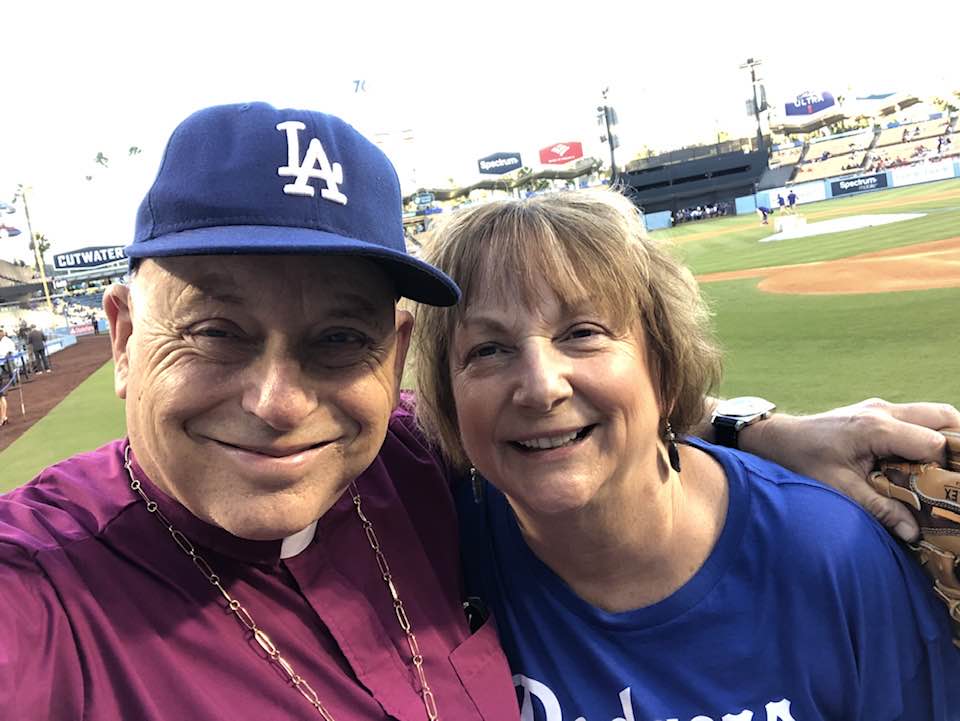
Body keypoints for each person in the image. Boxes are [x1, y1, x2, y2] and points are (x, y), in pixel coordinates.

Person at [0, 102, 956, 721]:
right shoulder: (44, 588)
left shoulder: (410, 465)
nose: (279, 403)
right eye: (216, 330)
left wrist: (758, 433)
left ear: (398, 363)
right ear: (123, 338)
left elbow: (564, 421)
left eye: (339, 340)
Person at [410, 190, 960, 721]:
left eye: (583, 333)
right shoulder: (428, 556)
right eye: (487, 349)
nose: (541, 386)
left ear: (664, 364)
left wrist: (757, 429)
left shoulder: (830, 554)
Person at [0, 328, 18, 426]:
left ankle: (3, 417)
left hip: (7, 360)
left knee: (1, 396)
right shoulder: (3, 341)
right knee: (1, 397)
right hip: (3, 363)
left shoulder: (6, 341)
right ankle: (3, 417)